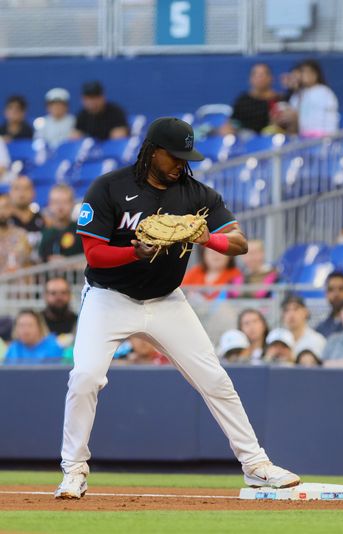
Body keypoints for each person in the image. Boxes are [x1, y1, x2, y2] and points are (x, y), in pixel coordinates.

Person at [55, 117, 299, 500]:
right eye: (176, 156)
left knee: (215, 379)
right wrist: (134, 251)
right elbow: (95, 255)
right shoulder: (109, 188)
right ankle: (73, 469)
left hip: (167, 300)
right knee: (85, 377)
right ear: (153, 152)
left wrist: (208, 238)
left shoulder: (195, 195)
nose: (182, 165)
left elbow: (239, 244)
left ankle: (255, 465)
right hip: (109, 297)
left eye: (187, 157)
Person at [280, 59, 339, 137]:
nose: (305, 75)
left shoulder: (324, 91)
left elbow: (330, 118)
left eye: (308, 72)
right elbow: (293, 123)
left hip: (324, 136)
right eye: (302, 72)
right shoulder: (296, 96)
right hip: (303, 140)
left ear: (316, 74)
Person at [220, 63, 280, 136]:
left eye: (262, 75)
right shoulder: (243, 100)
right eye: (256, 75)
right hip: (245, 139)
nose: (259, 78)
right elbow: (231, 122)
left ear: (271, 78)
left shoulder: (279, 100)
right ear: (250, 79)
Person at [273, 294, 326, 358]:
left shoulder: (317, 340)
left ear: (306, 312)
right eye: (286, 310)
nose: (291, 314)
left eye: (296, 309)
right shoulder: (276, 340)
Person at [39, 184, 83, 262]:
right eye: (56, 202)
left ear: (72, 203)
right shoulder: (45, 233)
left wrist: (66, 264)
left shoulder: (82, 231)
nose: (60, 207)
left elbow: (88, 263)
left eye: (64, 202)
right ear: (49, 204)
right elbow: (40, 262)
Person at [9, 175, 46, 250]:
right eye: (17, 188)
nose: (21, 193)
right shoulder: (4, 221)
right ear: (10, 192)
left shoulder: (44, 220)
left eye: (26, 188)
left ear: (33, 192)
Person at [0, 194, 32, 272]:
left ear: (12, 209)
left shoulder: (21, 234)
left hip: (19, 281)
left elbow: (28, 262)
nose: (2, 212)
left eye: (5, 207)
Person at [315, 271, 343, 337]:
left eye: (341, 289)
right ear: (326, 293)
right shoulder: (321, 328)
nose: (336, 294)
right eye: (331, 289)